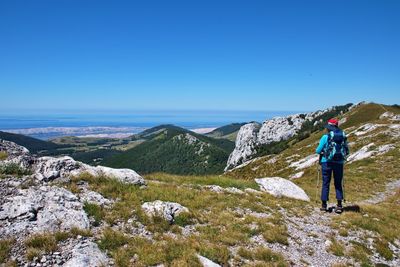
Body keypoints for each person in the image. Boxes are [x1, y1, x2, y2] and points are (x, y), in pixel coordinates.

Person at [316, 118, 349, 214]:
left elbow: (318, 151)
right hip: (339, 163)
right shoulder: (343, 136)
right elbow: (347, 151)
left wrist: (324, 152)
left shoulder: (325, 137)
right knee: (338, 183)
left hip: (326, 162)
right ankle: (339, 205)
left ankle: (324, 205)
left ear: (329, 128)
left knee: (326, 183)